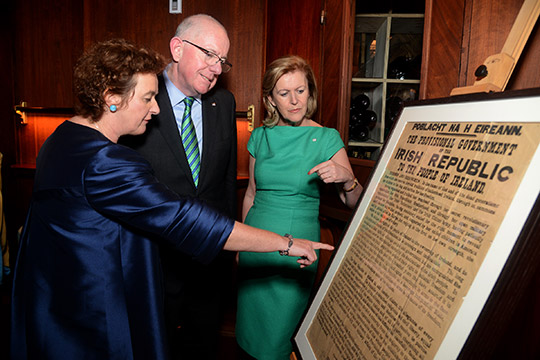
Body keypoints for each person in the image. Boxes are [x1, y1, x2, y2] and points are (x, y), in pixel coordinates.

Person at [10, 39, 333, 360]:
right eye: (149, 97)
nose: (156, 108)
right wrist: (285, 243)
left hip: (51, 298)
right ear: (111, 97)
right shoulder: (105, 161)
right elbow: (185, 218)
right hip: (94, 309)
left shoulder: (60, 139)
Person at [120, 14, 237, 358]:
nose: (217, 68)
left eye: (222, 60)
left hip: (208, 265)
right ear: (177, 48)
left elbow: (225, 183)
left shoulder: (224, 103)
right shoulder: (140, 95)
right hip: (153, 266)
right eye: (209, 55)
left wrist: (227, 249)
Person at [236, 55, 363, 360]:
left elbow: (354, 202)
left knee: (278, 337)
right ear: (270, 99)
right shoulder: (260, 136)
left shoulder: (327, 138)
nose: (294, 101)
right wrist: (242, 244)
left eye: (301, 91)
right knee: (250, 336)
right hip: (256, 243)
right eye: (284, 93)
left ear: (310, 92)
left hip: (299, 247)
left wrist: (348, 179)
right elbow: (251, 195)